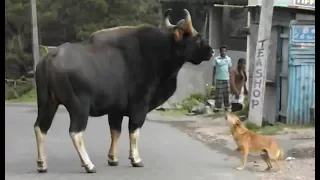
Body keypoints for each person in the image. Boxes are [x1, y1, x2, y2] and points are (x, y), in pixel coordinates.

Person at [212, 46, 232, 112]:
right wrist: (213, 80)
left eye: (225, 51)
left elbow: (229, 69)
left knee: (227, 94)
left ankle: (227, 107)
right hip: (219, 79)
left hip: (226, 79)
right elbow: (214, 70)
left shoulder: (229, 59)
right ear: (220, 51)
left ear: (226, 52)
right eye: (222, 51)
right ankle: (218, 107)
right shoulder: (216, 59)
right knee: (219, 94)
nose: (223, 52)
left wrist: (231, 79)